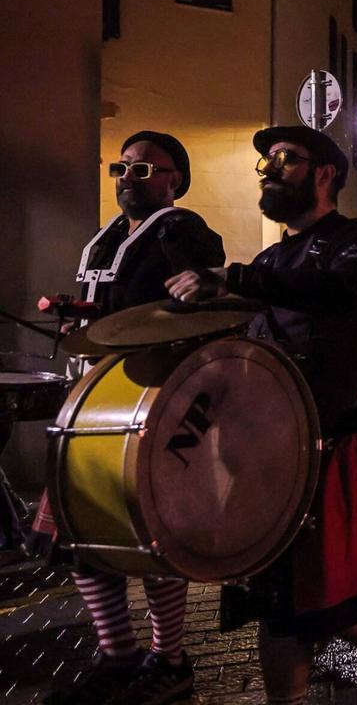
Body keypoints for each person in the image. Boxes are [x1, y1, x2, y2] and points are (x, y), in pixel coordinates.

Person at [164, 125, 357, 705]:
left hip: (337, 448)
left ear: (325, 175)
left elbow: (343, 289)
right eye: (266, 161)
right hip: (271, 454)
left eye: (284, 159)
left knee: (335, 598)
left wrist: (233, 278)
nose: (268, 169)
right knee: (278, 605)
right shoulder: (272, 258)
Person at [37, 131, 225, 705]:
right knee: (83, 534)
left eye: (143, 170)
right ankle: (118, 653)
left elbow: (201, 291)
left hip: (147, 401)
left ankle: (170, 660)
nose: (127, 178)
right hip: (91, 400)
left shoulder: (178, 229)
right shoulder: (106, 237)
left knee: (149, 539)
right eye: (121, 168)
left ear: (175, 180)